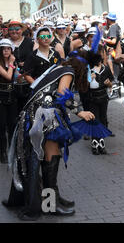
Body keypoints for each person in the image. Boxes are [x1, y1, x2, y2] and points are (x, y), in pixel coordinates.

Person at [2, 50, 96, 221]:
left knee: (47, 159)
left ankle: (51, 200)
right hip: (45, 118)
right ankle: (50, 205)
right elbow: (61, 93)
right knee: (51, 157)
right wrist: (79, 112)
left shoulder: (57, 67)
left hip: (38, 116)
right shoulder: (69, 72)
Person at [87, 45, 114, 155]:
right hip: (92, 99)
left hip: (103, 98)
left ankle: (101, 142)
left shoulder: (105, 69)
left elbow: (111, 84)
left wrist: (109, 84)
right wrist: (89, 79)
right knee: (95, 120)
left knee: (103, 119)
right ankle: (94, 143)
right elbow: (84, 87)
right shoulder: (88, 70)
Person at [7, 20, 34, 112]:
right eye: (11, 29)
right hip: (10, 80)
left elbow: (36, 57)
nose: (14, 31)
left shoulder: (30, 42)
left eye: (17, 29)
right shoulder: (5, 42)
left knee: (27, 107)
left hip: (28, 79)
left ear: (22, 30)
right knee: (13, 109)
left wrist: (27, 62)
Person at [0, 39, 17, 164]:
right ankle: (2, 153)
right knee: (1, 125)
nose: (6, 51)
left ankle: (12, 151)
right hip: (1, 96)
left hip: (12, 96)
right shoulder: (9, 62)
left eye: (8, 48)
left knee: (12, 125)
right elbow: (8, 76)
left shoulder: (14, 61)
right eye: (3, 48)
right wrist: (11, 64)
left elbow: (15, 77)